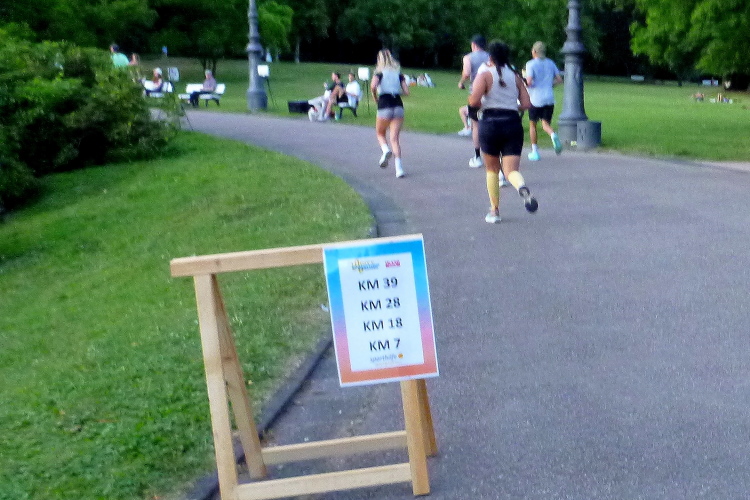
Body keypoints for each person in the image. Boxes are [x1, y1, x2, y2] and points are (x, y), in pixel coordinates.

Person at [469, 40, 538, 223]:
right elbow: (526, 104)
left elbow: (474, 101)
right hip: (512, 124)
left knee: (492, 169)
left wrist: (483, 103)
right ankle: (521, 186)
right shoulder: (516, 77)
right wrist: (510, 105)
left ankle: (494, 211)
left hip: (490, 124)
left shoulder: (484, 75)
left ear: (490, 56)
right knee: (511, 171)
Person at [371, 49, 409, 179]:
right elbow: (407, 92)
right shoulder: (398, 74)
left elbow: (373, 86)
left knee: (380, 133)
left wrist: (375, 97)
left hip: (384, 104)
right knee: (395, 139)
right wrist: (396, 91)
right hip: (398, 104)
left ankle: (386, 150)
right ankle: (399, 169)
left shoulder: (379, 73)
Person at [524, 41, 563, 161]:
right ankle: (553, 134)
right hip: (549, 98)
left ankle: (535, 151)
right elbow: (559, 79)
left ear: (534, 52)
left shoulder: (530, 64)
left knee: (533, 124)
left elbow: (529, 82)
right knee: (545, 124)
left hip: (535, 98)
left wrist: (524, 82)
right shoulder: (550, 63)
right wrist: (549, 84)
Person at [458, 35, 489, 168]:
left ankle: (477, 157)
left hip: (476, 93)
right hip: (490, 93)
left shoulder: (468, 57)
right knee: (489, 124)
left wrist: (461, 82)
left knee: (475, 125)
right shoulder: (490, 56)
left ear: (474, 45)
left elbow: (466, 72)